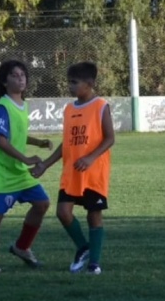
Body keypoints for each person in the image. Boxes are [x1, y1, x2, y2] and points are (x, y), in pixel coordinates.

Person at [31, 61, 115, 275]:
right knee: (63, 212)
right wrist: (46, 165)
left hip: (93, 173)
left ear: (90, 83)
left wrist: (90, 158)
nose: (70, 86)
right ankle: (84, 247)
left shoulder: (100, 105)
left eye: (74, 82)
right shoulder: (69, 109)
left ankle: (94, 263)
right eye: (69, 82)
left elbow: (109, 138)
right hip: (71, 172)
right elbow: (66, 143)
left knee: (93, 216)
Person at [0, 60, 52, 275]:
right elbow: (1, 140)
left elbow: (16, 134)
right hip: (0, 172)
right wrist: (27, 158)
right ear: (4, 81)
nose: (20, 78)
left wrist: (37, 142)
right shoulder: (2, 107)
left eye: (23, 74)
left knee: (42, 203)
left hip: (17, 170)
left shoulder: (23, 105)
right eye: (14, 75)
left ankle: (22, 247)